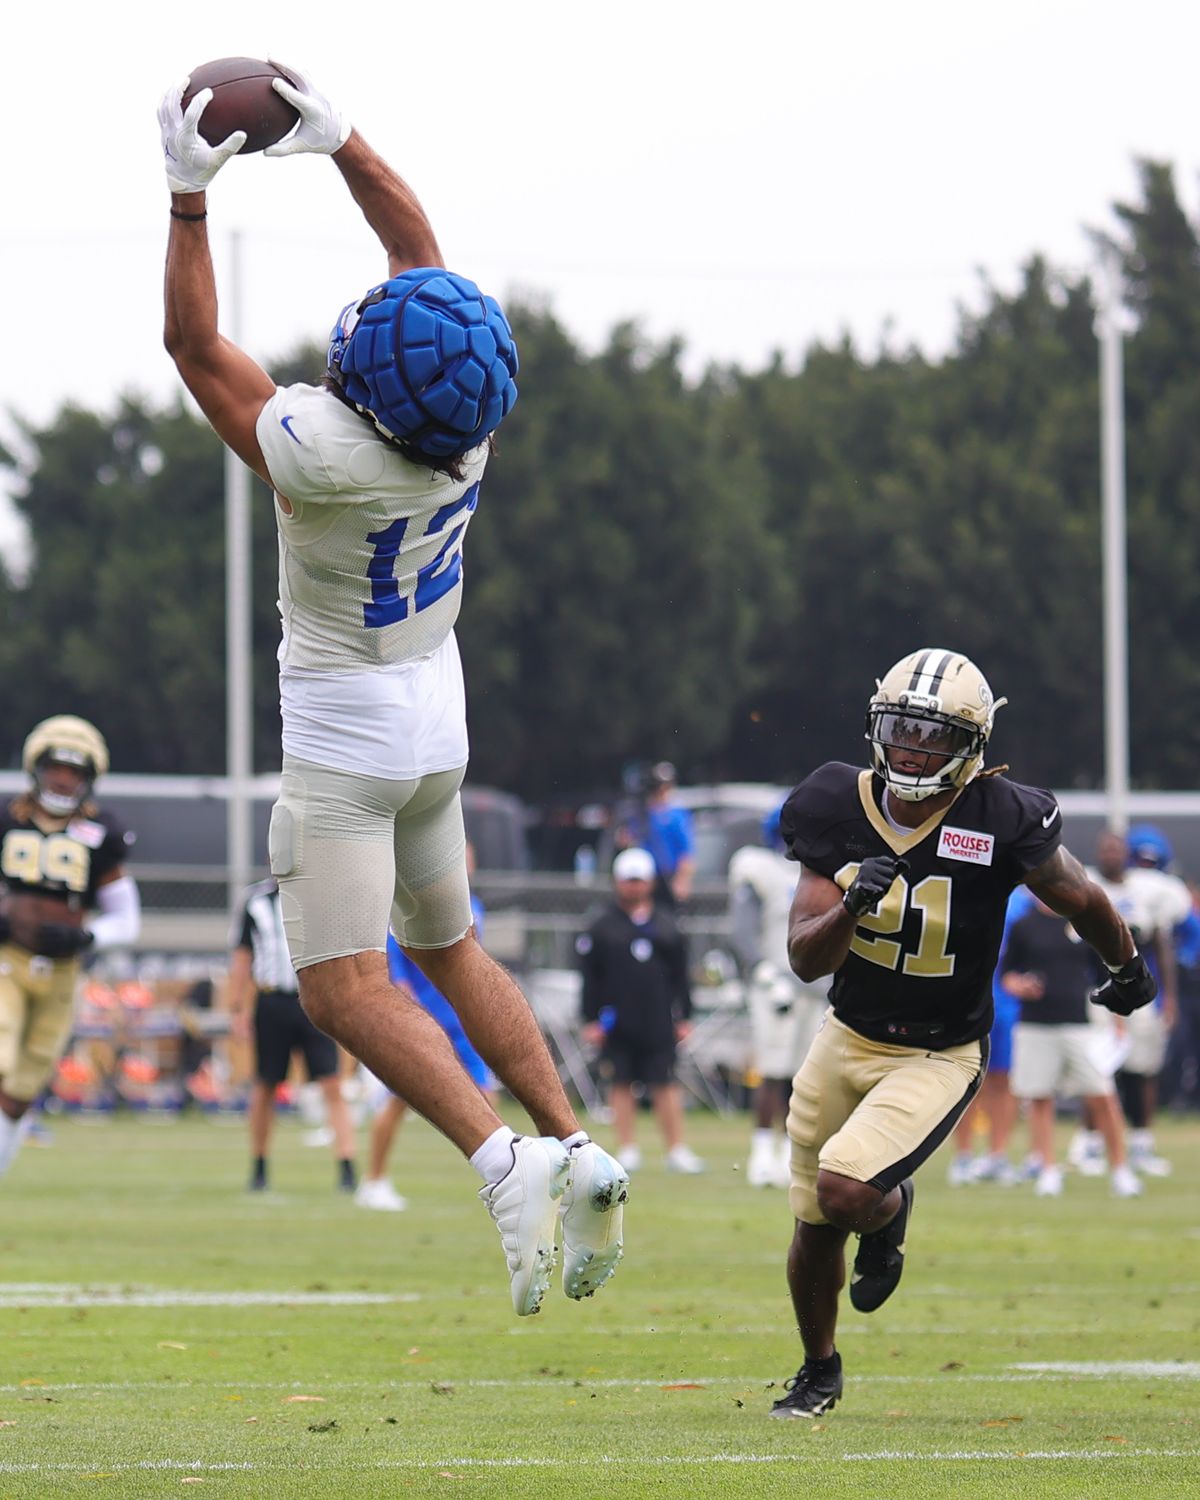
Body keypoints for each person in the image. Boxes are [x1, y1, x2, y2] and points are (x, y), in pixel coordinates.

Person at [158, 65, 626, 1315]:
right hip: (435, 711)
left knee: (339, 985)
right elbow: (422, 262)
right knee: (454, 945)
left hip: (346, 731)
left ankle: (503, 1165)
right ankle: (575, 1139)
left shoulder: (325, 453)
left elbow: (193, 347)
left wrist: (188, 197)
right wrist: (348, 143)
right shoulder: (464, 426)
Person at [769, 648, 1155, 1419]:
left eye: (932, 736)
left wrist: (1128, 964)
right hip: (846, 1034)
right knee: (815, 1219)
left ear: (972, 747)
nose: (912, 750)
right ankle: (819, 1369)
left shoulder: (1000, 814)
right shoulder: (832, 804)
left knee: (847, 1185)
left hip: (940, 1048)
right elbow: (804, 958)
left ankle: (888, 1208)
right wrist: (850, 907)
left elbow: (1078, 895)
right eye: (902, 731)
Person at [0, 716, 140, 1181]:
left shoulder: (103, 833)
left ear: (90, 778)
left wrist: (88, 936)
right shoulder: (7, 818)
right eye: (56, 767)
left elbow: (127, 916)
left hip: (63, 971)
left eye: (74, 771)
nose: (63, 778)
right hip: (7, 960)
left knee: (22, 1089)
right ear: (36, 768)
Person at [358, 859, 497, 1213]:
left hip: (463, 1019)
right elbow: (397, 972)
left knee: (487, 1097)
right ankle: (373, 1181)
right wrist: (414, 1017)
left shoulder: (473, 907)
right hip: (427, 1019)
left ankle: (503, 1183)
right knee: (400, 1098)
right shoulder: (404, 909)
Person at [1000, 898, 1140, 1198]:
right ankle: (1047, 1169)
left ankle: (1120, 1170)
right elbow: (1007, 974)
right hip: (1035, 1024)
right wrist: (1020, 986)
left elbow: (1106, 975)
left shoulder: (1081, 923)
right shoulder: (1024, 925)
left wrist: (1117, 1020)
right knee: (1039, 1098)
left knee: (1102, 1095)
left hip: (1081, 1023)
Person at [227, 877, 358, 1194]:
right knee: (266, 1084)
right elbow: (243, 956)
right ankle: (259, 1166)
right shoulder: (256, 901)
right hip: (272, 1001)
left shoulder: (321, 896)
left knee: (331, 1083)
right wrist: (237, 1009)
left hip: (313, 999)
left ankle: (347, 1167)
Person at [577, 848, 703, 1173]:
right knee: (621, 1082)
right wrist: (590, 1018)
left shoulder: (667, 924)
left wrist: (685, 1015)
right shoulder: (602, 926)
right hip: (617, 1018)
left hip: (658, 1018)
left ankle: (676, 1149)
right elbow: (590, 977)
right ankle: (627, 1147)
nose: (633, 887)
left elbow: (681, 976)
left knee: (665, 1082)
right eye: (628, 881)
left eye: (639, 881)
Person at [728, 806, 826, 1187]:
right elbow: (743, 930)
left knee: (802, 1075)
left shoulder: (817, 870)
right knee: (773, 1068)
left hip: (813, 984)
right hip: (775, 984)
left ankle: (790, 1151)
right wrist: (761, 969)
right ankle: (761, 1151)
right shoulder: (759, 869)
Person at [1084, 828, 1191, 1177]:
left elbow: (1162, 944)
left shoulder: (1148, 890)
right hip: (1097, 991)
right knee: (1097, 1069)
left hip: (1138, 990)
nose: (1111, 855)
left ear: (1124, 853)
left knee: (1143, 1067)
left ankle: (1142, 1144)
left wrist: (1170, 998)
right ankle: (1092, 1143)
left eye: (1116, 849)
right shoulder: (1086, 885)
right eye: (1106, 849)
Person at [946, 886, 1029, 1186]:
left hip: (1008, 1002)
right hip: (968, 996)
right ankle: (964, 1156)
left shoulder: (1023, 900)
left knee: (1003, 1079)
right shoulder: (968, 886)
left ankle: (998, 1155)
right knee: (967, 1077)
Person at [618, 763, 696, 905]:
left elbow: (685, 852)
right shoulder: (641, 813)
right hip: (645, 876)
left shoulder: (676, 815)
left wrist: (682, 880)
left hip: (668, 876)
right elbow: (627, 841)